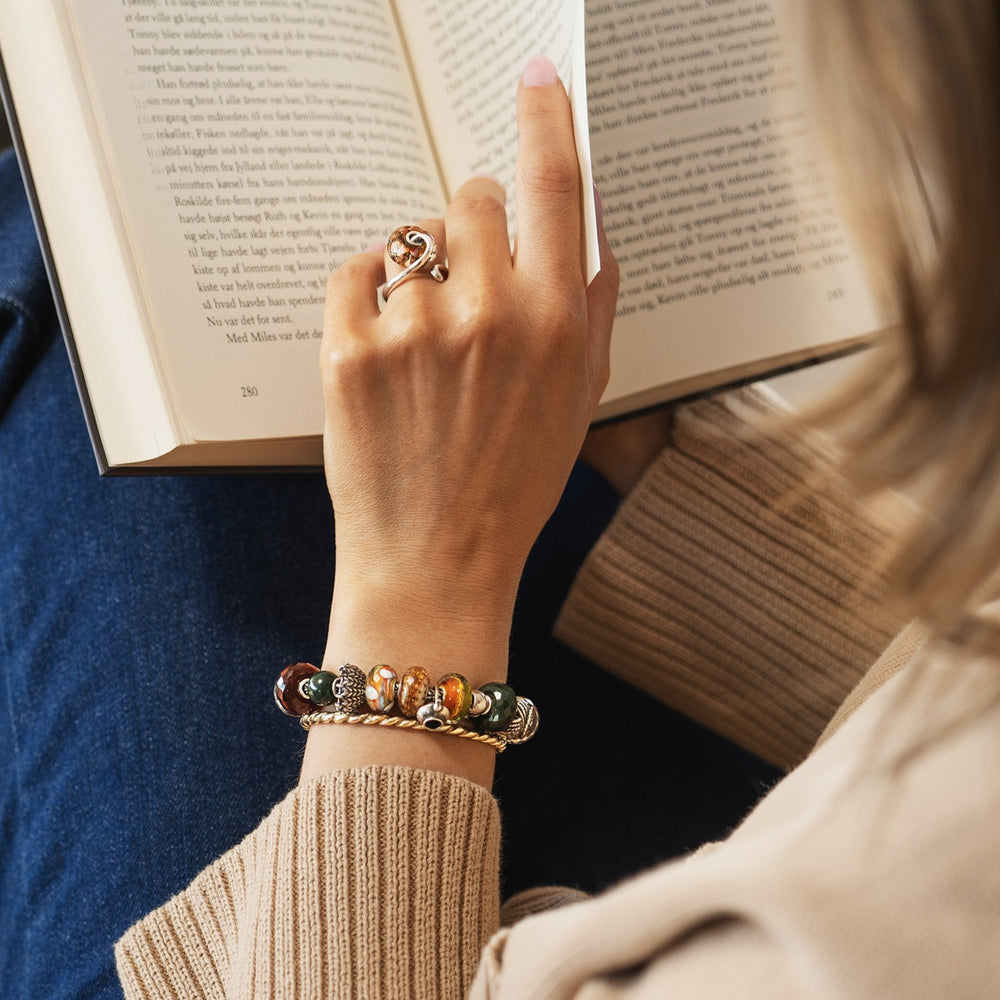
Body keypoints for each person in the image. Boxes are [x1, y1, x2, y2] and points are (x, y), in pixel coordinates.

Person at [9, 0, 1000, 996]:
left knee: (57, 278)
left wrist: (424, 579)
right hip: (762, 808)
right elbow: (942, 677)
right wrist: (647, 452)